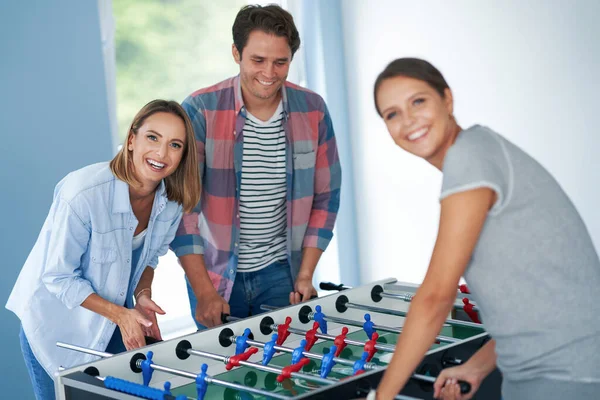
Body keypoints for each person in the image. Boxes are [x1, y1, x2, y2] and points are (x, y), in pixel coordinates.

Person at [369, 58, 600, 400]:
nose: (408, 120)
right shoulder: (480, 150)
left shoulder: (470, 158)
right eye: (392, 114)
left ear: (447, 100)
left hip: (568, 374)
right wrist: (478, 364)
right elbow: (535, 296)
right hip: (555, 370)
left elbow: (435, 298)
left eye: (418, 101)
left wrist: (380, 397)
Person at [6, 99, 201, 399]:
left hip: (112, 324)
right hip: (56, 331)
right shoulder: (83, 193)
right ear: (132, 140)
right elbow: (58, 277)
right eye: (153, 137)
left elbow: (149, 259)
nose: (161, 153)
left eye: (175, 144)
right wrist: (121, 315)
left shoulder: (171, 203)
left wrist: (142, 295)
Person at [170, 4, 341, 328]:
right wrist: (203, 291)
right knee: (222, 372)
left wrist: (305, 274)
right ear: (236, 53)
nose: (269, 73)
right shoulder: (200, 110)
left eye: (281, 62)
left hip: (282, 271)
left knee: (283, 369)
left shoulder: (313, 109)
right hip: (213, 273)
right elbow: (181, 208)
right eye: (258, 60)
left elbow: (326, 197)